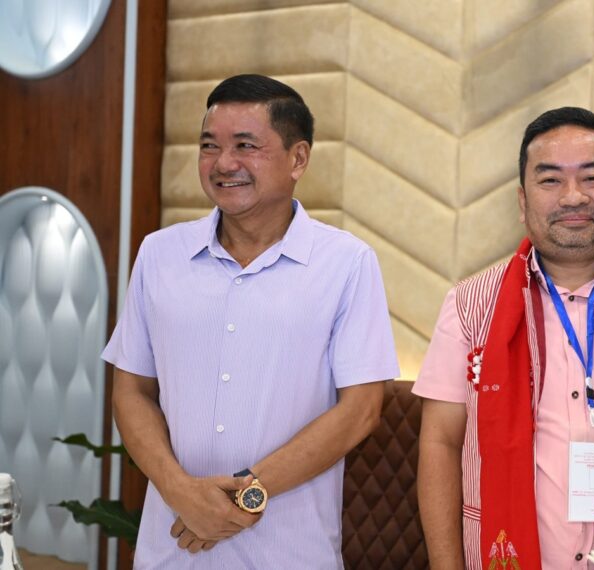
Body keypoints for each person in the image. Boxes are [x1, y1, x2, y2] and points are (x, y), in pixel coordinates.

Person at [104, 74, 400, 568]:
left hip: (288, 551)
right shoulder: (159, 254)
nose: (224, 164)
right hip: (172, 548)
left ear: (298, 158)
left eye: (246, 145)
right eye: (209, 146)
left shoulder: (347, 263)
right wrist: (181, 492)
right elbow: (131, 390)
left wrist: (243, 497)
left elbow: (361, 409)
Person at [415, 107, 594, 570]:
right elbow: (440, 443)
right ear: (523, 202)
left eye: (592, 178)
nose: (572, 197)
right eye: (550, 181)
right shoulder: (470, 307)